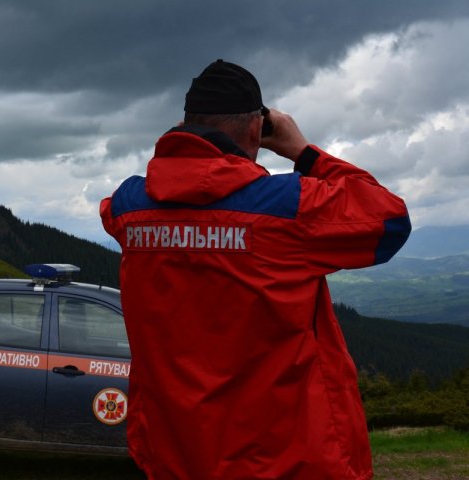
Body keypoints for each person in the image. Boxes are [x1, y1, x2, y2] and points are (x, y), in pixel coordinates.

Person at [100, 59, 410, 480]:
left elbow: (142, 207)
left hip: (173, 454)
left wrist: (186, 137)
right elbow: (390, 219)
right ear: (254, 130)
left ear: (186, 124)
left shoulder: (128, 206)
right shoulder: (285, 208)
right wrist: (304, 151)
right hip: (284, 460)